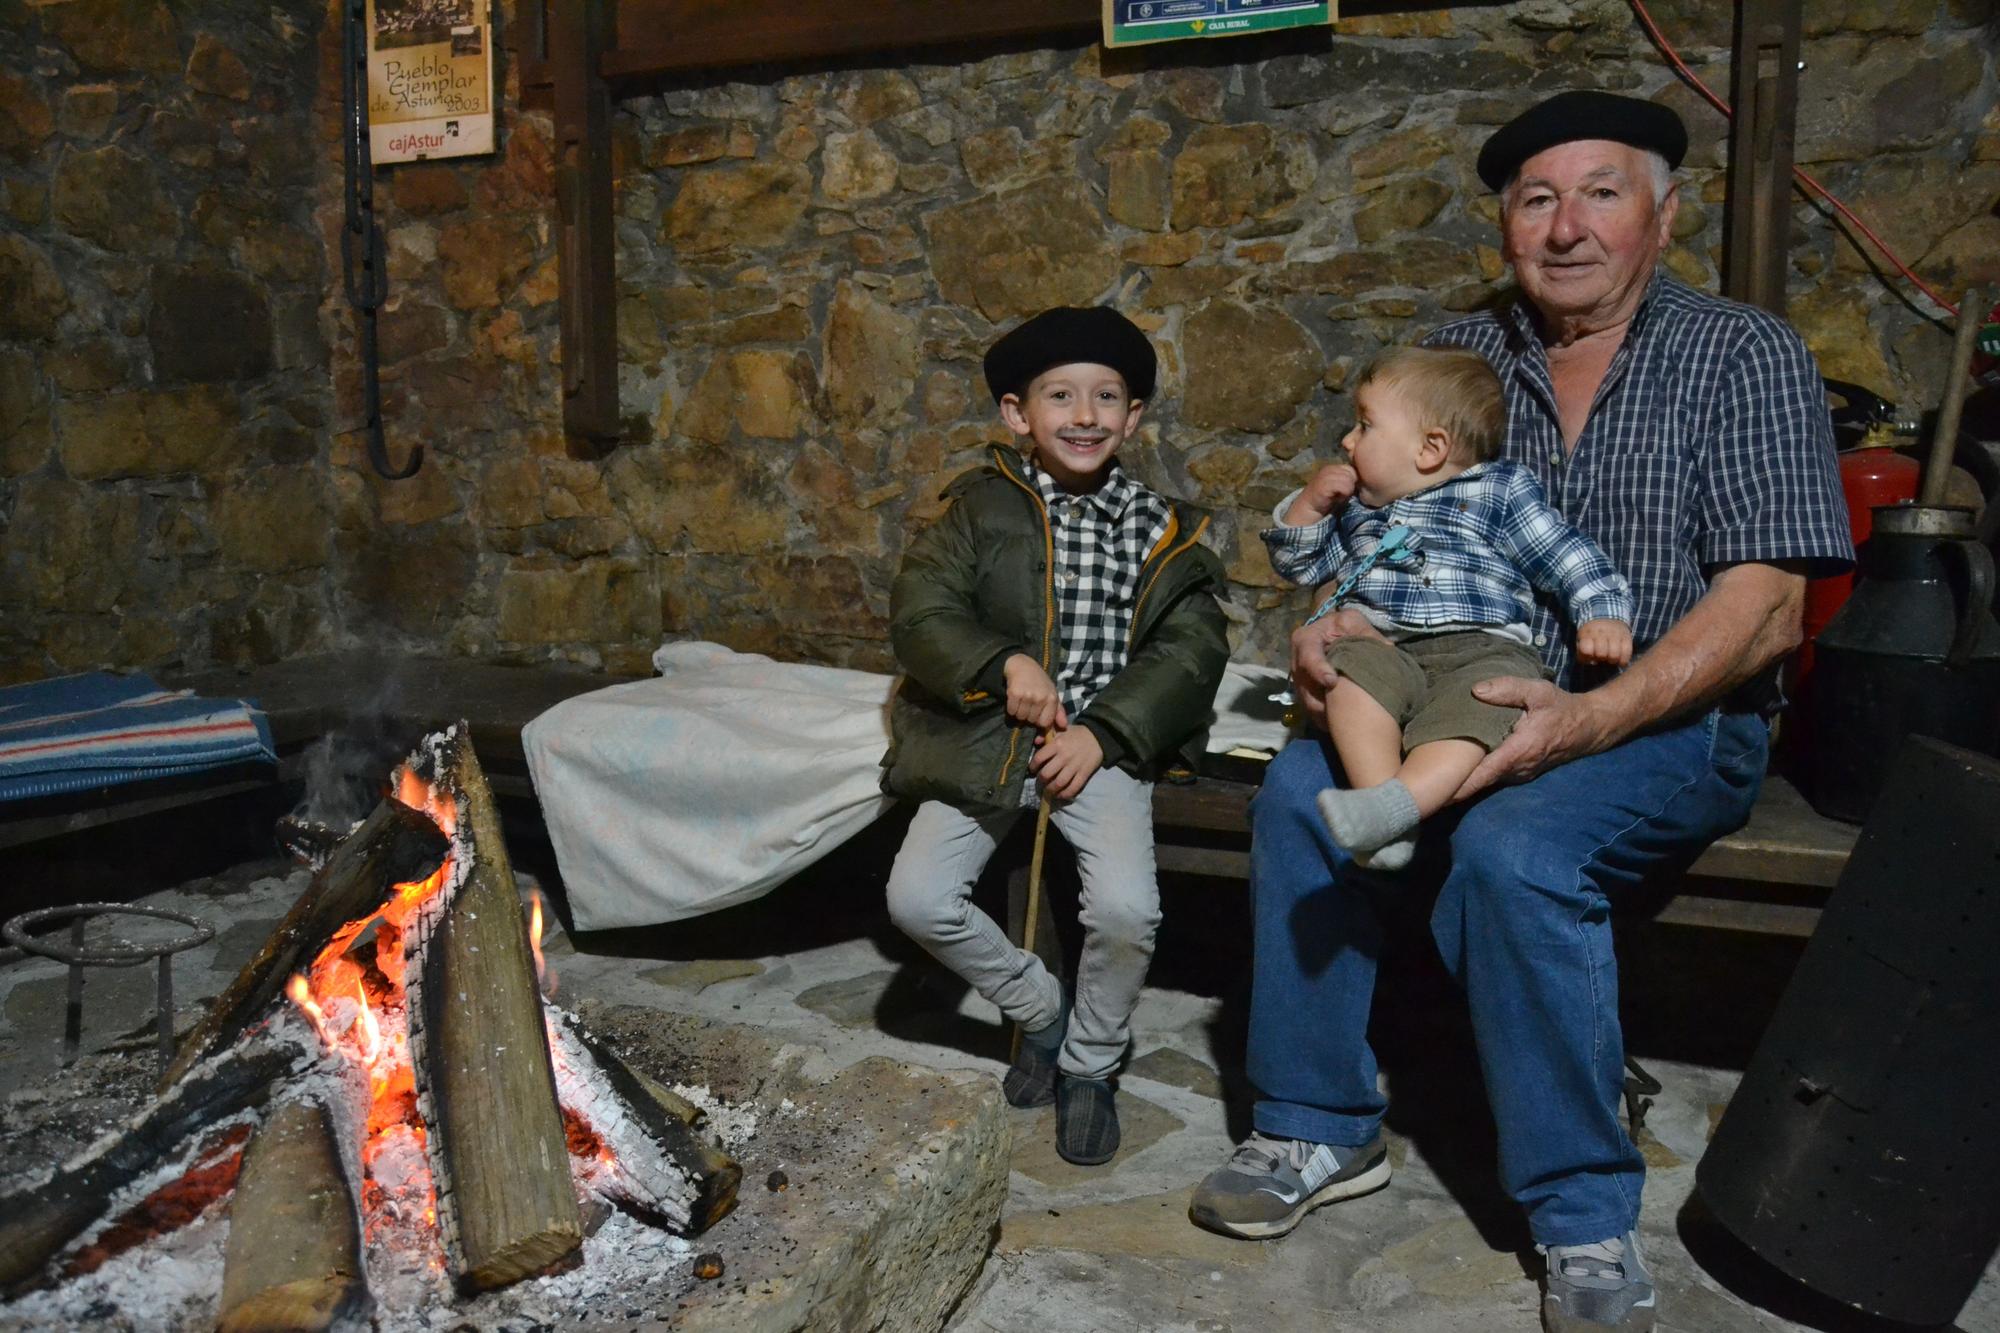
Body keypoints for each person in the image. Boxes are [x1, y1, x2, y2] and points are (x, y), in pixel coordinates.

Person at [1188, 90, 1853, 1333]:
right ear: (1503, 224)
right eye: (1535, 199)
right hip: (1452, 684)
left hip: (1667, 717)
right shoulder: (1455, 355)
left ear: (1661, 214)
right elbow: (1371, 527)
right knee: (1294, 791)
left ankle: (1579, 1212)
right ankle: (1315, 1124)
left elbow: (1765, 607)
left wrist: (1588, 721)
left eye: (1600, 192)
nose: (1565, 226)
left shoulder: (1741, 351)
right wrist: (1330, 622)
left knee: (1511, 850)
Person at [882, 305, 1230, 1166]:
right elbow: (921, 612)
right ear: (1017, 414)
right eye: (1061, 395)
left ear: (1134, 416)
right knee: (918, 897)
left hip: (1100, 746)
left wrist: (1106, 734)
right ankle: (1041, 1008)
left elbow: (1190, 652)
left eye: (1108, 396)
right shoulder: (976, 513)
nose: (1085, 415)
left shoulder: (1161, 528)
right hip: (990, 735)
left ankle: (1089, 1061)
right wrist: (1001, 663)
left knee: (1124, 909)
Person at [1267, 345, 1633, 871]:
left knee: (1480, 709)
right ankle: (1383, 817)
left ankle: (1400, 804)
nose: (1346, 441)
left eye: (1364, 426)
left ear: (1430, 448)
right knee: (1343, 678)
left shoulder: (1498, 490)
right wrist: (1310, 507)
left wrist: (1601, 611)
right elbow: (1301, 566)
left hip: (1482, 651)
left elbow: (1566, 553)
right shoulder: (1358, 511)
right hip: (1386, 647)